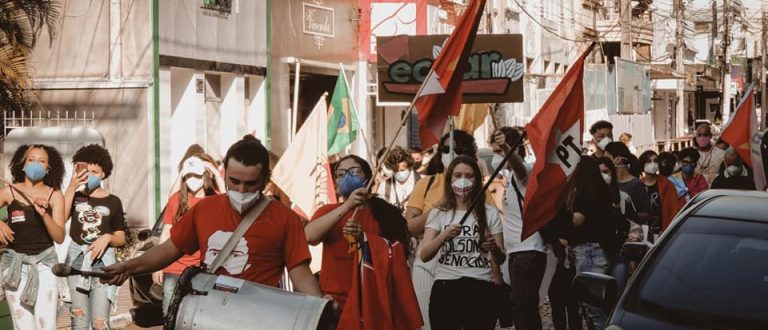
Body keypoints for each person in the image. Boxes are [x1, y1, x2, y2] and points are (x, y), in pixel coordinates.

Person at [102, 136, 323, 298]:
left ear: (265, 179)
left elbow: (300, 273)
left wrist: (320, 304)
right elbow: (168, 249)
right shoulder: (204, 209)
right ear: (223, 173)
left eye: (251, 183)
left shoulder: (285, 218)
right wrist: (130, 266)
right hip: (207, 312)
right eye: (234, 181)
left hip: (259, 316)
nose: (241, 190)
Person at [306, 155, 422, 329]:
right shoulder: (327, 211)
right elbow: (309, 236)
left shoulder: (386, 214)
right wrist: (347, 206)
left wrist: (365, 240)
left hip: (371, 301)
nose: (347, 177)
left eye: (354, 172)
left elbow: (398, 252)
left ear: (368, 178)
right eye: (340, 174)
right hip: (334, 304)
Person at [405, 130, 495, 329]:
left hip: (468, 268)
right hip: (429, 261)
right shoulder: (426, 183)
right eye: (446, 149)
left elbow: (491, 225)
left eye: (458, 149)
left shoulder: (478, 189)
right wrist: (443, 205)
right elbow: (410, 226)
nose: (451, 154)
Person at [419, 156, 505, 330]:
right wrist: (444, 236)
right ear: (450, 179)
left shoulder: (490, 213)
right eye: (457, 175)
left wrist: (493, 248)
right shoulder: (439, 213)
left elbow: (501, 257)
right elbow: (425, 254)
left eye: (469, 175)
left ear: (478, 180)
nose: (463, 180)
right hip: (446, 287)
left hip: (480, 287)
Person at [0, 144, 66, 330]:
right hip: (14, 265)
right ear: (23, 164)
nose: (36, 164)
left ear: (48, 168)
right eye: (31, 159)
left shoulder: (55, 196)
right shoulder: (9, 192)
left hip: (45, 264)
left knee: (46, 325)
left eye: (42, 161)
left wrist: (44, 214)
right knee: (22, 326)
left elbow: (59, 236)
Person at [62, 144, 126, 330]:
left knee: (100, 323)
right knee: (79, 323)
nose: (90, 175)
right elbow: (61, 218)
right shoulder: (75, 196)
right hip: (76, 265)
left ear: (104, 173)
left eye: (95, 171)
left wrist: (107, 237)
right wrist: (71, 186)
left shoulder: (113, 201)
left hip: (103, 268)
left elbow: (120, 238)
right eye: (86, 171)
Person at [491, 128, 546, 330]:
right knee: (526, 308)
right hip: (519, 253)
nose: (496, 157)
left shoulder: (525, 173)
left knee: (522, 309)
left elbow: (519, 166)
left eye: (498, 152)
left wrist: (506, 148)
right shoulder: (509, 181)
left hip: (527, 252)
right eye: (495, 151)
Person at [154, 153, 221, 314]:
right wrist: (158, 265)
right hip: (174, 268)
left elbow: (230, 205)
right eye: (188, 175)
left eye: (196, 174)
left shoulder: (215, 200)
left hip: (202, 270)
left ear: (205, 175)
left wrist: (217, 174)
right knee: (170, 316)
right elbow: (166, 232)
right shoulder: (176, 199)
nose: (192, 179)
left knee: (196, 318)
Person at [559, 156, 615, 329]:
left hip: (589, 252)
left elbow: (575, 221)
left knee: (593, 307)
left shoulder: (586, 196)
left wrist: (559, 208)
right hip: (598, 250)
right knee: (595, 306)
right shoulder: (602, 191)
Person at [603, 142, 652, 225]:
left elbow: (648, 214)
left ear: (617, 160)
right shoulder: (607, 183)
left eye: (607, 159)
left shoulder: (636, 184)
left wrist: (628, 215)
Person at [638, 151, 684, 235]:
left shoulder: (667, 185)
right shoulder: (637, 185)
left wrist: (667, 230)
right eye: (648, 161)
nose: (653, 164)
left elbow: (673, 209)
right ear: (642, 164)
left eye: (655, 161)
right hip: (642, 233)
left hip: (662, 232)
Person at [376, 146, 420, 211]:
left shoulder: (421, 182)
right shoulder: (384, 185)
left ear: (409, 167)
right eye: (396, 170)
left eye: (402, 170)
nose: (399, 173)